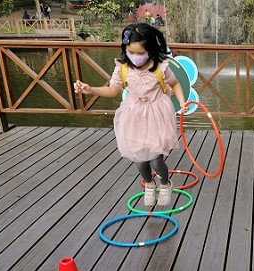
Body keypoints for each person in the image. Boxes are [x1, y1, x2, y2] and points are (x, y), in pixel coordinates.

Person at [74, 23, 188, 207]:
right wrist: (91, 89)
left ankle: (165, 184)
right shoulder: (123, 67)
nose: (135, 56)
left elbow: (175, 84)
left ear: (150, 50)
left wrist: (182, 103)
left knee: (156, 159)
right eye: (130, 52)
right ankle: (149, 185)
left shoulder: (160, 67)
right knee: (139, 158)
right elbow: (113, 90)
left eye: (139, 52)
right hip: (134, 116)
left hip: (156, 114)